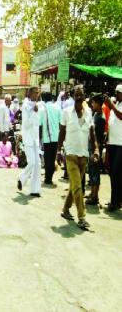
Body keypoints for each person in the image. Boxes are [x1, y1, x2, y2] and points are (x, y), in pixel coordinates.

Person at [58, 85, 99, 229]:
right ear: (73, 96)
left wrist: (96, 150)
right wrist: (58, 151)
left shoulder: (89, 112)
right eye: (76, 94)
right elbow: (61, 133)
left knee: (74, 186)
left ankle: (65, 210)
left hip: (84, 156)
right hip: (70, 154)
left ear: (84, 95)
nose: (79, 96)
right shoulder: (66, 112)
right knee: (78, 186)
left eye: (81, 94)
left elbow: (92, 134)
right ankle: (82, 217)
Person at [17, 87, 41, 197]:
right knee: (31, 162)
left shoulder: (38, 106)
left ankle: (35, 190)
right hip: (28, 139)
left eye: (38, 93)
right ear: (30, 93)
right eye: (35, 93)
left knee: (38, 164)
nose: (37, 95)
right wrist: (34, 113)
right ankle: (21, 178)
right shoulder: (26, 107)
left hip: (36, 139)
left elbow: (38, 124)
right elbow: (26, 124)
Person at [85, 94, 106, 206]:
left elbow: (97, 137)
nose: (92, 104)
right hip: (91, 147)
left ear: (98, 103)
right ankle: (92, 193)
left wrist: (96, 151)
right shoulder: (95, 115)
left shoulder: (100, 118)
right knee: (92, 171)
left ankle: (95, 196)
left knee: (95, 172)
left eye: (93, 102)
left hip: (95, 149)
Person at [105, 85, 122, 212]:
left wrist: (111, 105)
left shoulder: (115, 107)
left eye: (118, 92)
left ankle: (115, 202)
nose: (115, 94)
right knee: (112, 173)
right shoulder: (116, 105)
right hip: (112, 144)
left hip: (120, 145)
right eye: (115, 92)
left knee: (116, 173)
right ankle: (115, 200)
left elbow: (120, 116)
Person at [40, 92, 61, 185]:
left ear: (43, 99)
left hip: (46, 137)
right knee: (52, 158)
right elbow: (61, 123)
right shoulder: (57, 107)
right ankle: (50, 177)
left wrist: (39, 138)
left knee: (47, 158)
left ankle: (47, 178)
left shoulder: (42, 109)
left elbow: (40, 125)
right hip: (56, 137)